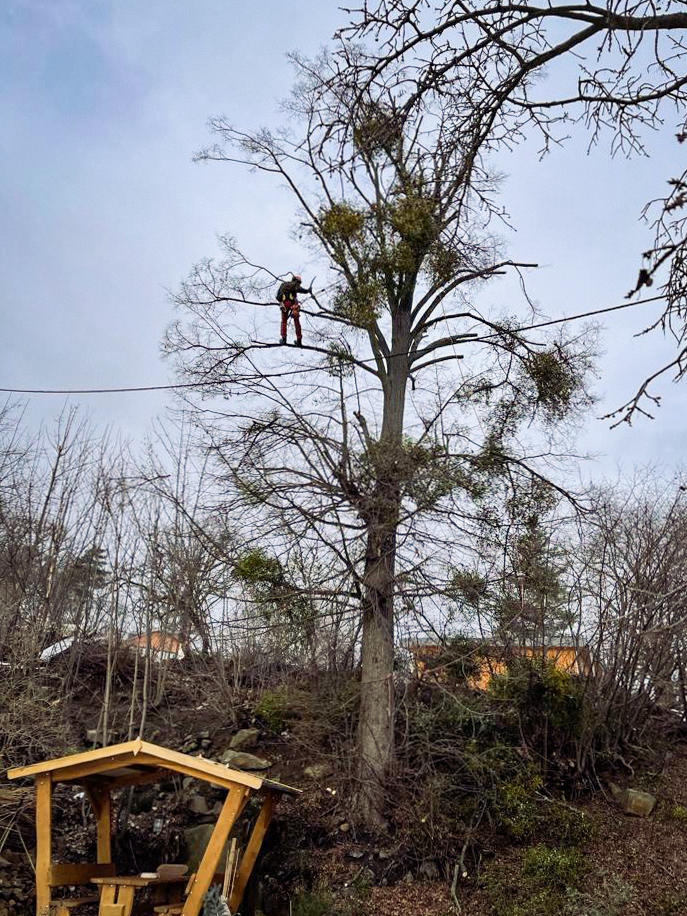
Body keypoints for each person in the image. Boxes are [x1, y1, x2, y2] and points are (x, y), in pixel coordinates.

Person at [276, 273, 310, 346]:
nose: (298, 284)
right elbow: (301, 289)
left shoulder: (283, 285)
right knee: (296, 321)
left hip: (284, 305)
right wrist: (307, 290)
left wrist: (281, 302)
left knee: (284, 321)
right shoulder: (295, 285)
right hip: (293, 305)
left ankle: (284, 339)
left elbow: (278, 297)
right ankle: (299, 340)